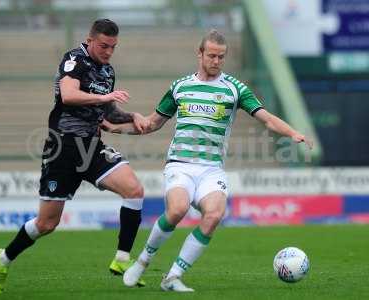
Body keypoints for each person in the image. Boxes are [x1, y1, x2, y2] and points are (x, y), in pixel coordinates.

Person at [102, 29, 313, 292]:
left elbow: (267, 118)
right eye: (211, 55)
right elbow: (153, 124)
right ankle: (142, 261)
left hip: (211, 169)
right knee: (177, 210)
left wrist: (293, 132)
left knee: (214, 215)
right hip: (180, 164)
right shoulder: (180, 86)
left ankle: (173, 277)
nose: (216, 61)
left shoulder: (234, 89)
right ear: (199, 53)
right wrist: (117, 128)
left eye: (221, 57)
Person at [0, 19, 149, 294]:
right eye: (103, 46)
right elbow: (69, 95)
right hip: (62, 148)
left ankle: (122, 259)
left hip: (91, 148)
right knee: (47, 223)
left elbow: (109, 114)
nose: (109, 52)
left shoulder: (107, 71)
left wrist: (132, 116)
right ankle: (4, 258)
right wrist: (104, 98)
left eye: (113, 47)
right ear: (90, 40)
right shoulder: (75, 59)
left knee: (134, 190)